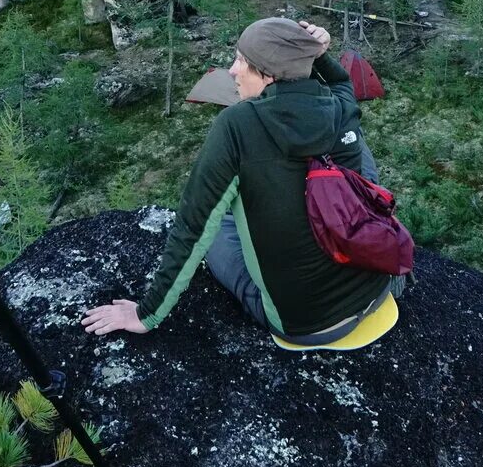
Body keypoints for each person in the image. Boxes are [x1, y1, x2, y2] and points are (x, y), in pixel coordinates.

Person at [81, 18, 398, 346]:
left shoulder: (236, 125)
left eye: (242, 61)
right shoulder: (340, 105)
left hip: (307, 322)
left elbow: (193, 227)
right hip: (375, 288)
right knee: (356, 152)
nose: (232, 70)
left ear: (269, 74)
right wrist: (316, 57)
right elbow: (341, 82)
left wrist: (146, 314)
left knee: (216, 227)